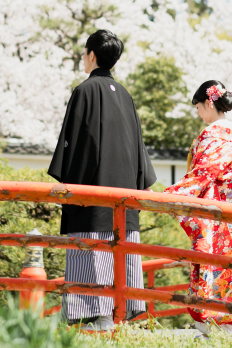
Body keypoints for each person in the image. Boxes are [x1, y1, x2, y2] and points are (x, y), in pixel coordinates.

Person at [48, 29, 157, 331]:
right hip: (124, 200)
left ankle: (99, 320)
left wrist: (69, 184)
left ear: (92, 55)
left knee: (92, 253)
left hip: (93, 196)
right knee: (120, 252)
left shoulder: (83, 91)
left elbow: (74, 146)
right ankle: (115, 317)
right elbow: (138, 150)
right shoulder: (125, 95)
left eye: (84, 53)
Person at [163, 80, 232, 337]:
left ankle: (214, 328)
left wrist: (166, 198)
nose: (198, 113)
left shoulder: (210, 141)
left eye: (198, 107)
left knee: (213, 269)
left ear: (209, 103)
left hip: (214, 225)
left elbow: (198, 178)